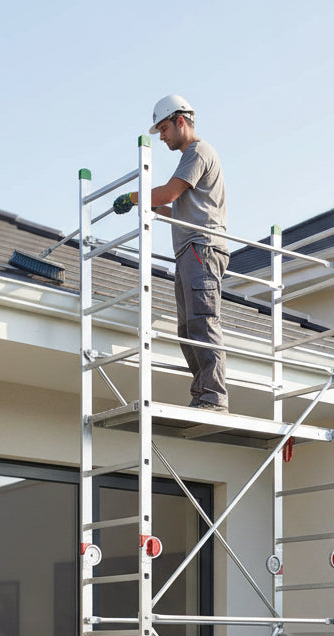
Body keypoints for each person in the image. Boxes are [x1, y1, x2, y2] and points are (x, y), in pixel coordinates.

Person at [114, 95, 229, 412]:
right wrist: (150, 206)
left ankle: (213, 397)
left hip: (201, 248)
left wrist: (136, 197)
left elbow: (169, 192)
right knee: (188, 329)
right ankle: (203, 393)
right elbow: (177, 206)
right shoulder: (192, 157)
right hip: (190, 249)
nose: (162, 136)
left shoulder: (197, 152)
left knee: (202, 323)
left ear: (181, 121)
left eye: (164, 128)